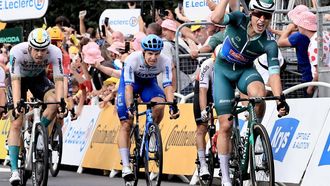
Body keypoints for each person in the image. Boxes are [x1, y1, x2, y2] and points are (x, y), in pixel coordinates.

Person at [211, 0, 290, 185]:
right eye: (258, 15)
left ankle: (254, 129)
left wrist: (280, 100)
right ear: (251, 14)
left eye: (267, 17)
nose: (262, 20)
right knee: (225, 126)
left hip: (245, 71)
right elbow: (215, 18)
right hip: (223, 71)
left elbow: (274, 74)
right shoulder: (238, 19)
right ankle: (225, 177)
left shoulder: (270, 43)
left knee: (259, 94)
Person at [116, 34, 180, 181]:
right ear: (143, 52)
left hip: (149, 85)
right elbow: (128, 88)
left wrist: (172, 105)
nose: (153, 58)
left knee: (159, 104)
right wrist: (130, 106)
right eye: (150, 54)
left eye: (156, 54)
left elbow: (168, 85)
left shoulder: (165, 61)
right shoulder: (132, 59)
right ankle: (126, 166)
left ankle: (151, 133)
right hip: (129, 85)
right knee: (126, 123)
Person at [7, 28, 66, 185]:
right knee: (16, 121)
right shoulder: (17, 52)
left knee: (53, 103)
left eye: (43, 50)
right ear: (29, 47)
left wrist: (61, 101)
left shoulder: (55, 52)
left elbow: (59, 80)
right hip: (19, 80)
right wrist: (18, 103)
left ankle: (38, 134)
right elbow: (15, 82)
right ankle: (14, 170)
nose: (40, 54)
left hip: (38, 79)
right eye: (37, 50)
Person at [274, 5, 312, 97]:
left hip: (307, 74)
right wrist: (273, 31)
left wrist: (288, 29)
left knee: (309, 98)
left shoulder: (299, 36)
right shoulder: (308, 32)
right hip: (313, 71)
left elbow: (280, 42)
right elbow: (290, 35)